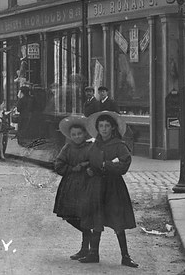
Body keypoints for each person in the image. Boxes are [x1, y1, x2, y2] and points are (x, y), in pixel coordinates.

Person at [80, 111, 138, 267]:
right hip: (97, 185)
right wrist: (89, 170)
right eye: (101, 126)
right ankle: (93, 253)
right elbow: (87, 161)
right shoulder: (93, 145)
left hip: (113, 187)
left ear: (113, 128)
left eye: (107, 126)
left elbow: (124, 164)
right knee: (96, 218)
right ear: (97, 128)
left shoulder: (119, 145)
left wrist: (106, 165)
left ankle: (125, 256)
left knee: (117, 219)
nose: (104, 129)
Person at [53, 114, 93, 260]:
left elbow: (96, 162)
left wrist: (87, 165)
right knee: (69, 216)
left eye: (79, 134)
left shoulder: (90, 148)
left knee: (84, 215)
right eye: (73, 134)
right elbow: (58, 165)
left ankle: (85, 248)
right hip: (70, 187)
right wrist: (72, 168)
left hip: (86, 186)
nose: (77, 137)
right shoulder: (67, 148)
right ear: (70, 136)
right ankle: (88, 235)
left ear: (84, 134)